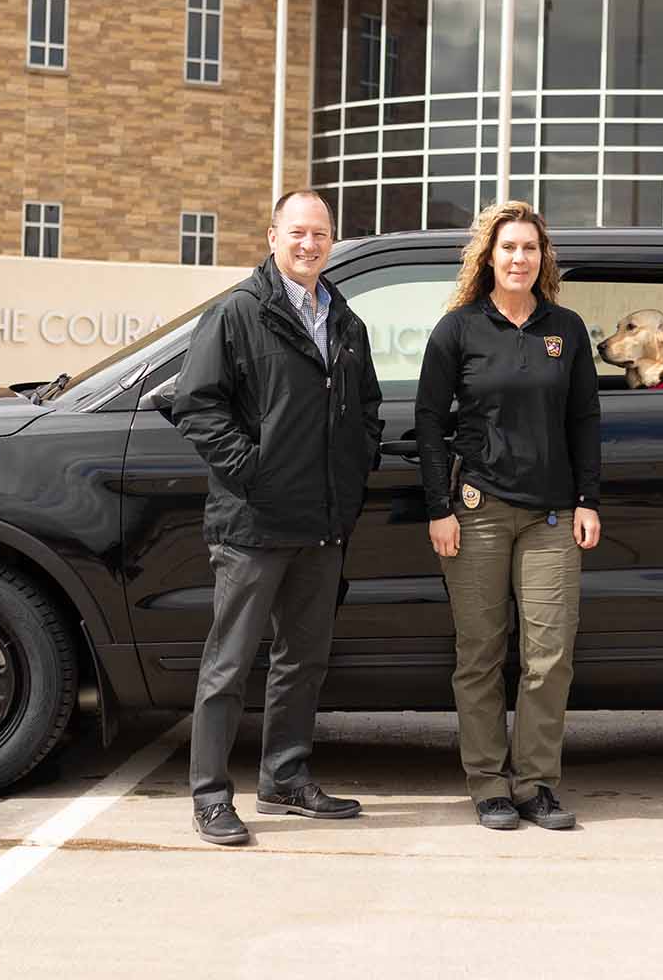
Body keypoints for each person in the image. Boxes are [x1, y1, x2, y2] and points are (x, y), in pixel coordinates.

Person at [173, 189, 384, 846]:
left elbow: (367, 408)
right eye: (297, 232)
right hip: (254, 524)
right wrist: (253, 468)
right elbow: (197, 405)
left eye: (320, 234)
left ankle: (285, 777)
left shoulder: (345, 320)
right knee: (229, 665)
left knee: (303, 660)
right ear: (272, 236)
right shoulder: (239, 313)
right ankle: (211, 796)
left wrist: (353, 470)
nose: (309, 244)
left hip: (322, 523)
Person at [415, 200, 602, 832]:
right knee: (481, 653)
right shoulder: (459, 329)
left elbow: (584, 420)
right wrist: (439, 507)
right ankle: (490, 785)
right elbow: (428, 422)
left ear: (543, 257)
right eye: (508, 248)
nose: (519, 258)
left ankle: (537, 784)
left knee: (549, 655)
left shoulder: (567, 329)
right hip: (477, 515)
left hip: (552, 518)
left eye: (530, 248)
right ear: (488, 258)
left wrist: (588, 499)